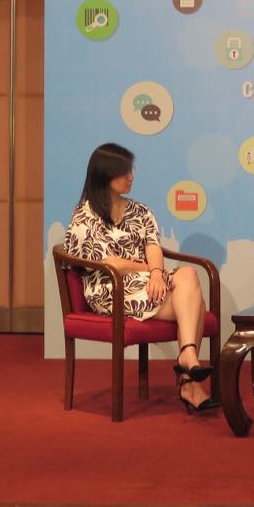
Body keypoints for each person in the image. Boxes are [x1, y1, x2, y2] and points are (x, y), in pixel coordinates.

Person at [62, 143, 219, 414]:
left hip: (145, 284)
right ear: (104, 175)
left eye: (131, 170)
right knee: (194, 302)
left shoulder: (140, 211)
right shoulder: (85, 216)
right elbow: (111, 264)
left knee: (189, 274)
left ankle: (188, 360)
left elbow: (153, 246)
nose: (130, 177)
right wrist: (149, 270)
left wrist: (157, 273)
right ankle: (189, 379)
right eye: (123, 172)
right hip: (110, 289)